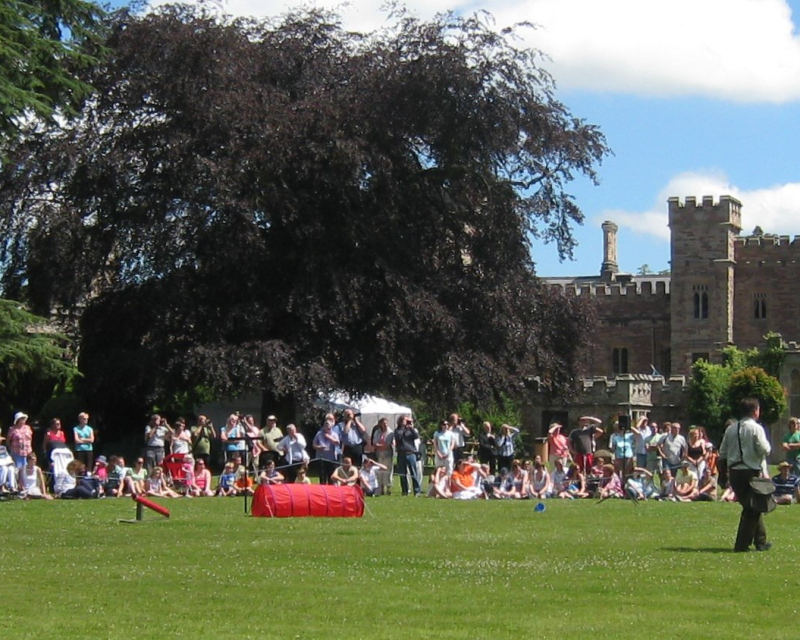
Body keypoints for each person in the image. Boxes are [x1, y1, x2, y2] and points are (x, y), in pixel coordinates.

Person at [718, 397, 772, 552]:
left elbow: (722, 453)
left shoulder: (731, 429)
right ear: (755, 411)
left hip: (735, 473)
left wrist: (723, 475)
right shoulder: (756, 428)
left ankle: (761, 542)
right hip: (751, 472)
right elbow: (765, 449)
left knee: (753, 506)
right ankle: (742, 544)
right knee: (751, 509)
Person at [394, 415, 422, 496]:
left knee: (414, 472)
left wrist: (411, 428)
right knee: (402, 473)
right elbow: (399, 437)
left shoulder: (411, 430)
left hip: (411, 453)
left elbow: (416, 437)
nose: (407, 422)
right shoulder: (398, 430)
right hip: (401, 454)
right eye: (405, 420)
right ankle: (405, 491)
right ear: (401, 421)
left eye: (408, 421)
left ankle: (417, 491)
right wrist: (404, 428)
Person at [313, 417, 341, 485]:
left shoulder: (334, 434)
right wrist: (319, 447)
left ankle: (330, 491)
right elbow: (314, 445)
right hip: (321, 458)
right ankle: (322, 491)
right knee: (322, 476)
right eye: (325, 426)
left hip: (331, 459)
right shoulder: (319, 434)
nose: (327, 428)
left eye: (328, 427)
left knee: (330, 476)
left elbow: (337, 443)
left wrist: (328, 437)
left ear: (331, 427)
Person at [370, 418, 394, 495]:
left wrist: (379, 445)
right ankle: (380, 488)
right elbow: (374, 443)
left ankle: (388, 488)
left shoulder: (390, 432)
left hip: (387, 455)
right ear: (380, 424)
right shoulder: (377, 432)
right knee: (380, 472)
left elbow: (388, 445)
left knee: (388, 471)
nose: (385, 425)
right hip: (379, 455)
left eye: (386, 423)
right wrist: (380, 446)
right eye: (383, 423)